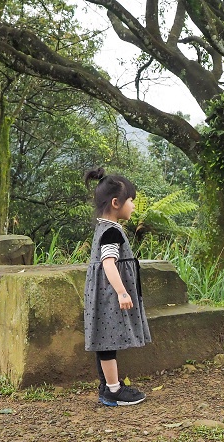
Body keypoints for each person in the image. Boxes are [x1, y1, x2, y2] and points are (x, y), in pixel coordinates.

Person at [83, 167, 150, 406]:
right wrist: (122, 292)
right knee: (108, 341)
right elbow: (108, 263)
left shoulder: (105, 228)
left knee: (105, 339)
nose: (133, 206)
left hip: (102, 294)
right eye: (130, 200)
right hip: (109, 295)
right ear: (115, 203)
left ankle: (107, 386)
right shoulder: (111, 232)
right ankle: (113, 389)